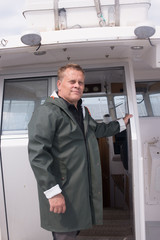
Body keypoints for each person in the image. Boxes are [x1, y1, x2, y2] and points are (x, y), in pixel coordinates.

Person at [28, 63, 132, 240]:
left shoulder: (81, 110)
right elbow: (38, 155)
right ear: (59, 84)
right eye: (72, 81)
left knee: (74, 230)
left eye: (81, 82)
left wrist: (122, 123)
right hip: (62, 187)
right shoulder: (47, 112)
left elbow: (98, 130)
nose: (77, 85)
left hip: (79, 185)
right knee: (64, 233)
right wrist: (53, 193)